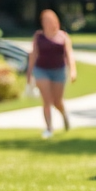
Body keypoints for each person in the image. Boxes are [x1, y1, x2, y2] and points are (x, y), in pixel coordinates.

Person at [25, 9, 77, 139]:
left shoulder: (63, 36)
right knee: (46, 100)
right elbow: (33, 54)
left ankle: (64, 114)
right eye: (44, 21)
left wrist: (73, 70)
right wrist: (29, 72)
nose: (47, 23)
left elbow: (69, 54)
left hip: (59, 70)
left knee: (57, 101)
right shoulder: (38, 36)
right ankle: (49, 128)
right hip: (41, 70)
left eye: (49, 20)